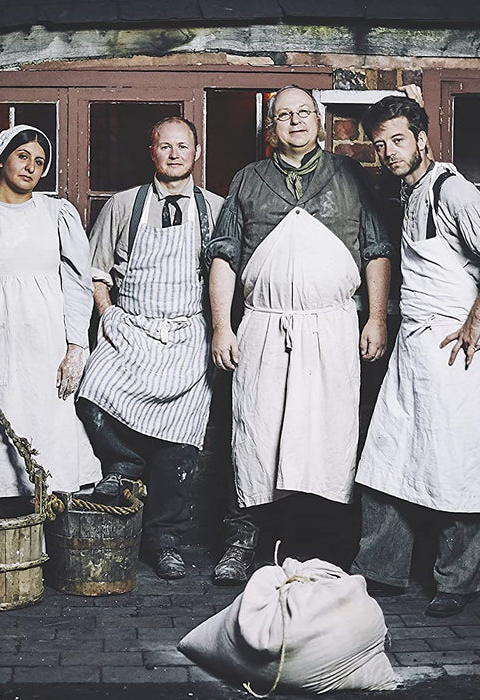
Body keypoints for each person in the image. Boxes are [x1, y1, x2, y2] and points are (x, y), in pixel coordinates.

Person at [351, 94, 480, 617]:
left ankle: (458, 582)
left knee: (459, 465)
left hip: (454, 352)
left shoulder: (453, 190)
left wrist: (475, 321)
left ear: (423, 138)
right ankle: (380, 572)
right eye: (380, 145)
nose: (388, 153)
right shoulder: (406, 192)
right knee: (388, 457)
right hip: (412, 351)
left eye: (398, 140)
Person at [206, 85, 393, 585]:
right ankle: (242, 542)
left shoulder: (349, 175)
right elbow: (223, 255)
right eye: (284, 115)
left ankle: (322, 547)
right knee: (256, 431)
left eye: (304, 113)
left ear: (320, 120)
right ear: (272, 127)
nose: (295, 122)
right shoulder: (248, 180)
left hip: (332, 327)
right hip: (264, 326)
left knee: (327, 436)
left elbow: (376, 250)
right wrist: (222, 326)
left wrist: (375, 318)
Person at [76, 117, 224, 580]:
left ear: (196, 153)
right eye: (166, 146)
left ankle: (165, 540)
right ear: (152, 152)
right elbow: (95, 271)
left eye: (184, 146)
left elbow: (229, 276)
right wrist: (109, 314)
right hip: (131, 328)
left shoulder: (216, 209)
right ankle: (124, 460)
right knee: (92, 392)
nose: (175, 154)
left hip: (187, 337)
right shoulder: (123, 206)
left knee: (179, 445)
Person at [0, 125, 100, 515]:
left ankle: (37, 542)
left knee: (44, 441)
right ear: (2, 157)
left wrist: (76, 349)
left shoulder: (57, 214)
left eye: (40, 162)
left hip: (43, 348)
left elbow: (78, 286)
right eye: (23, 156)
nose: (31, 167)